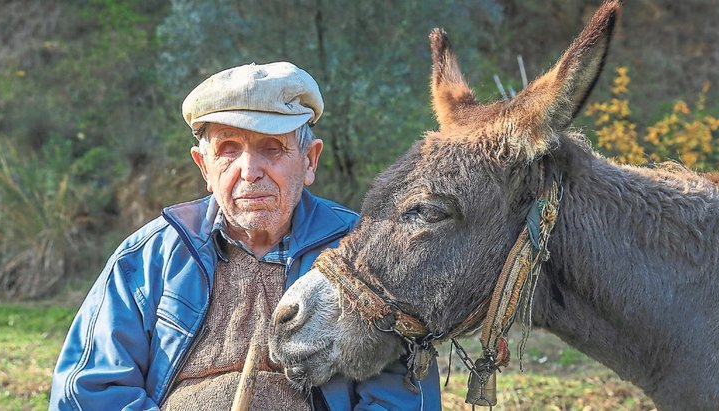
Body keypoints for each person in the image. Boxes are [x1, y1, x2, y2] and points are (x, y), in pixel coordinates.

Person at [49, 62, 441, 410]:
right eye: (228, 149)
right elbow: (88, 392)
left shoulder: (366, 256)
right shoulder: (148, 257)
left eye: (272, 148)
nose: (250, 171)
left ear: (309, 160)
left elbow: (404, 397)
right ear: (204, 167)